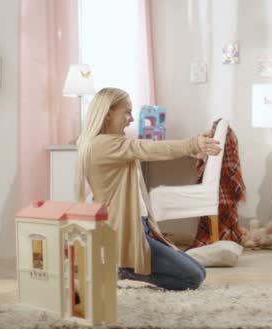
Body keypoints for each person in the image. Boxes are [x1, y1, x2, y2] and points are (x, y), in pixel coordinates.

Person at [75, 87, 221, 290]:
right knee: (193, 278)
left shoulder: (110, 145)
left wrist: (192, 150)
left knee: (200, 272)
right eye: (126, 112)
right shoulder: (102, 145)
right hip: (126, 234)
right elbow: (147, 148)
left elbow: (149, 149)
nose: (132, 119)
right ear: (107, 113)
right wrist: (192, 145)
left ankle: (128, 269)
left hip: (142, 229)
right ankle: (124, 272)